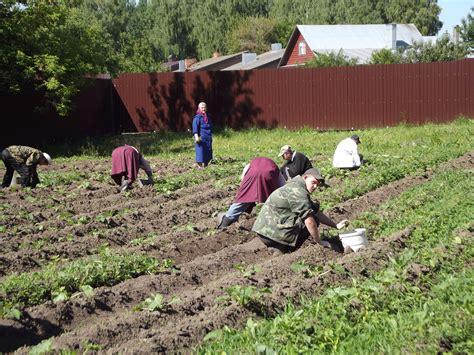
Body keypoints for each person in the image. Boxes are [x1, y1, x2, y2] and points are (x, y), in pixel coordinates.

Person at [252, 168, 348, 254]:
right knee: (312, 220)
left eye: (317, 185)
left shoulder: (296, 186)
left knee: (313, 216)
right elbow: (310, 222)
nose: (315, 187)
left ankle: (279, 246)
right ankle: (285, 249)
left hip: (263, 230)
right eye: (313, 182)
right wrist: (320, 242)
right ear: (306, 177)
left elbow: (316, 212)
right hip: (270, 232)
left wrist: (336, 225)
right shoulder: (298, 192)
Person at [218, 157, 286, 229]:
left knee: (243, 199)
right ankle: (276, 223)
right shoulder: (274, 167)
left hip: (252, 175)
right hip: (268, 176)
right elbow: (282, 185)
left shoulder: (249, 165)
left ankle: (226, 222)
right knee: (273, 201)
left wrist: (244, 192)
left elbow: (243, 179)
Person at [192, 102, 213, 168]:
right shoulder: (197, 118)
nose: (203, 109)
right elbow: (195, 128)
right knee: (200, 152)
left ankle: (206, 165)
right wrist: (196, 137)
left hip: (208, 137)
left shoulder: (208, 116)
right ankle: (200, 166)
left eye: (204, 107)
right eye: (202, 108)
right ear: (199, 108)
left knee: (208, 151)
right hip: (201, 138)